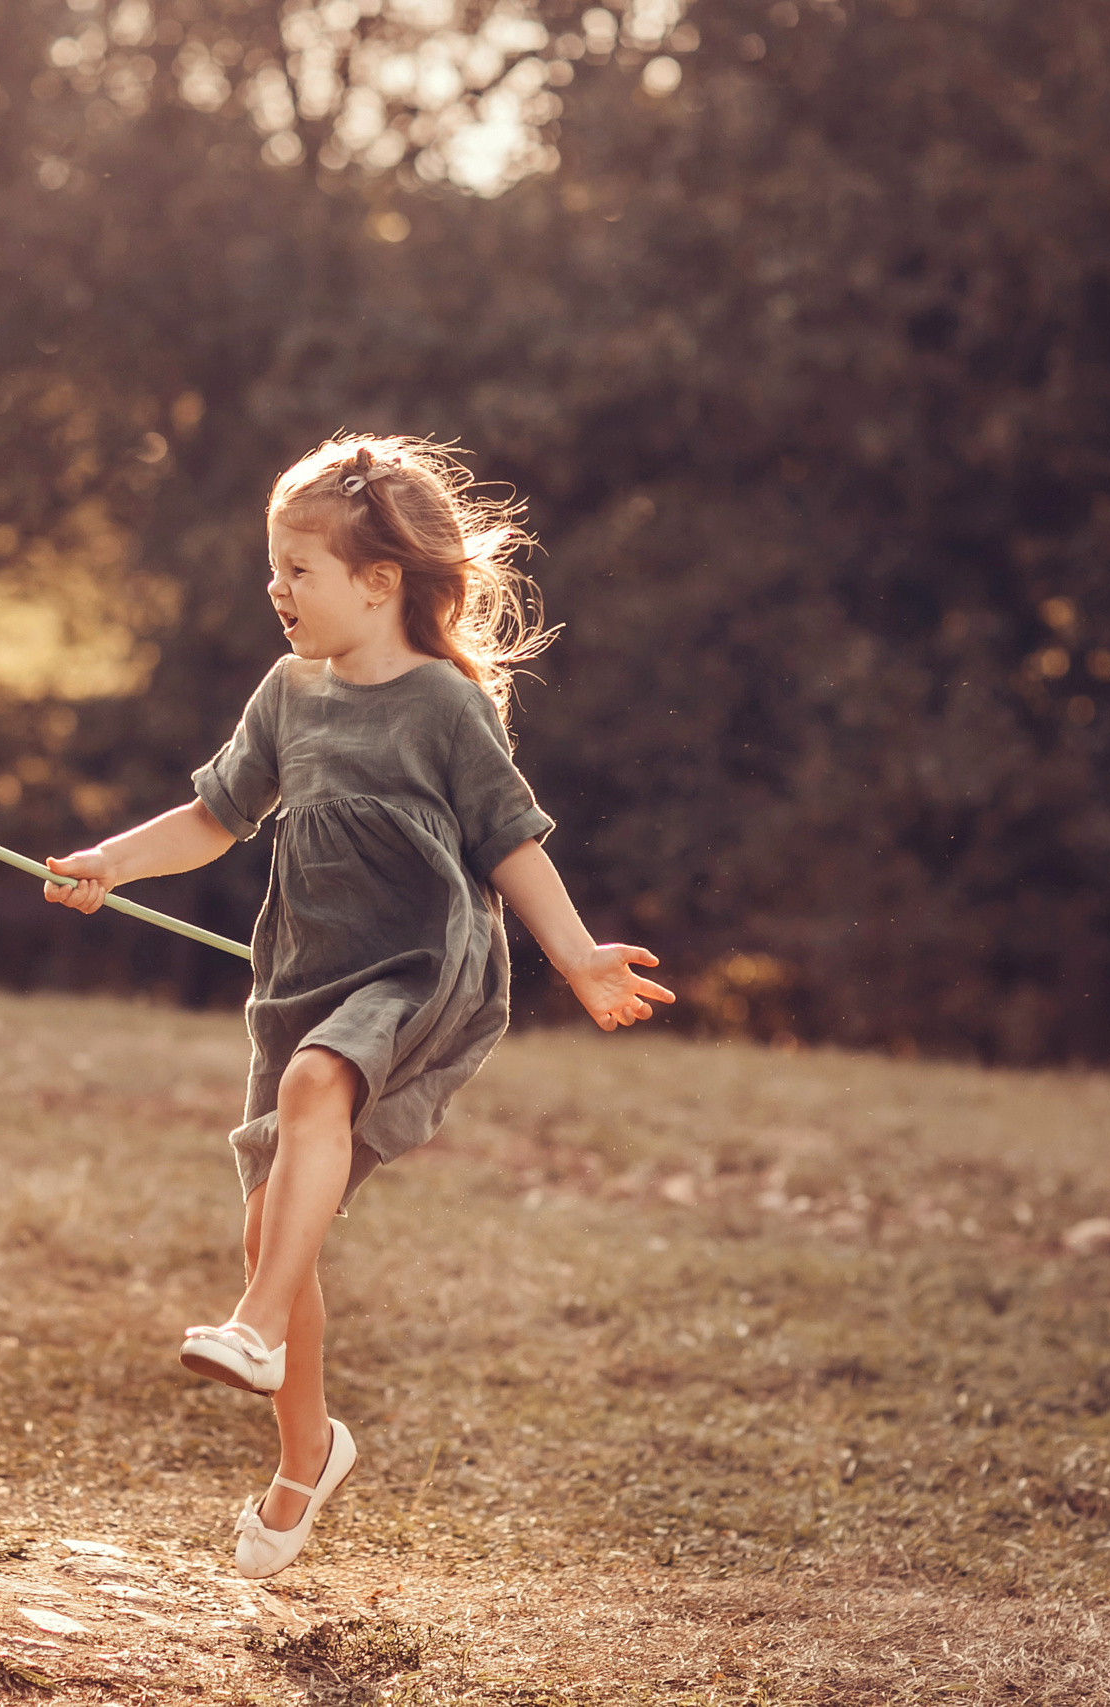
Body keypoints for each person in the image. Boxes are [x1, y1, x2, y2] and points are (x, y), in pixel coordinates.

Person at [43, 435, 673, 1579]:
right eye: (274, 568)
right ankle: (304, 1457)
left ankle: (255, 1328)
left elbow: (512, 841)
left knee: (313, 1089)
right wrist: (110, 862)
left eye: (298, 571)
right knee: (273, 1214)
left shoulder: (441, 705)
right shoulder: (287, 694)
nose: (274, 591)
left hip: (422, 963)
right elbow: (214, 815)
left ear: (377, 582)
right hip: (304, 972)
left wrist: (577, 959)